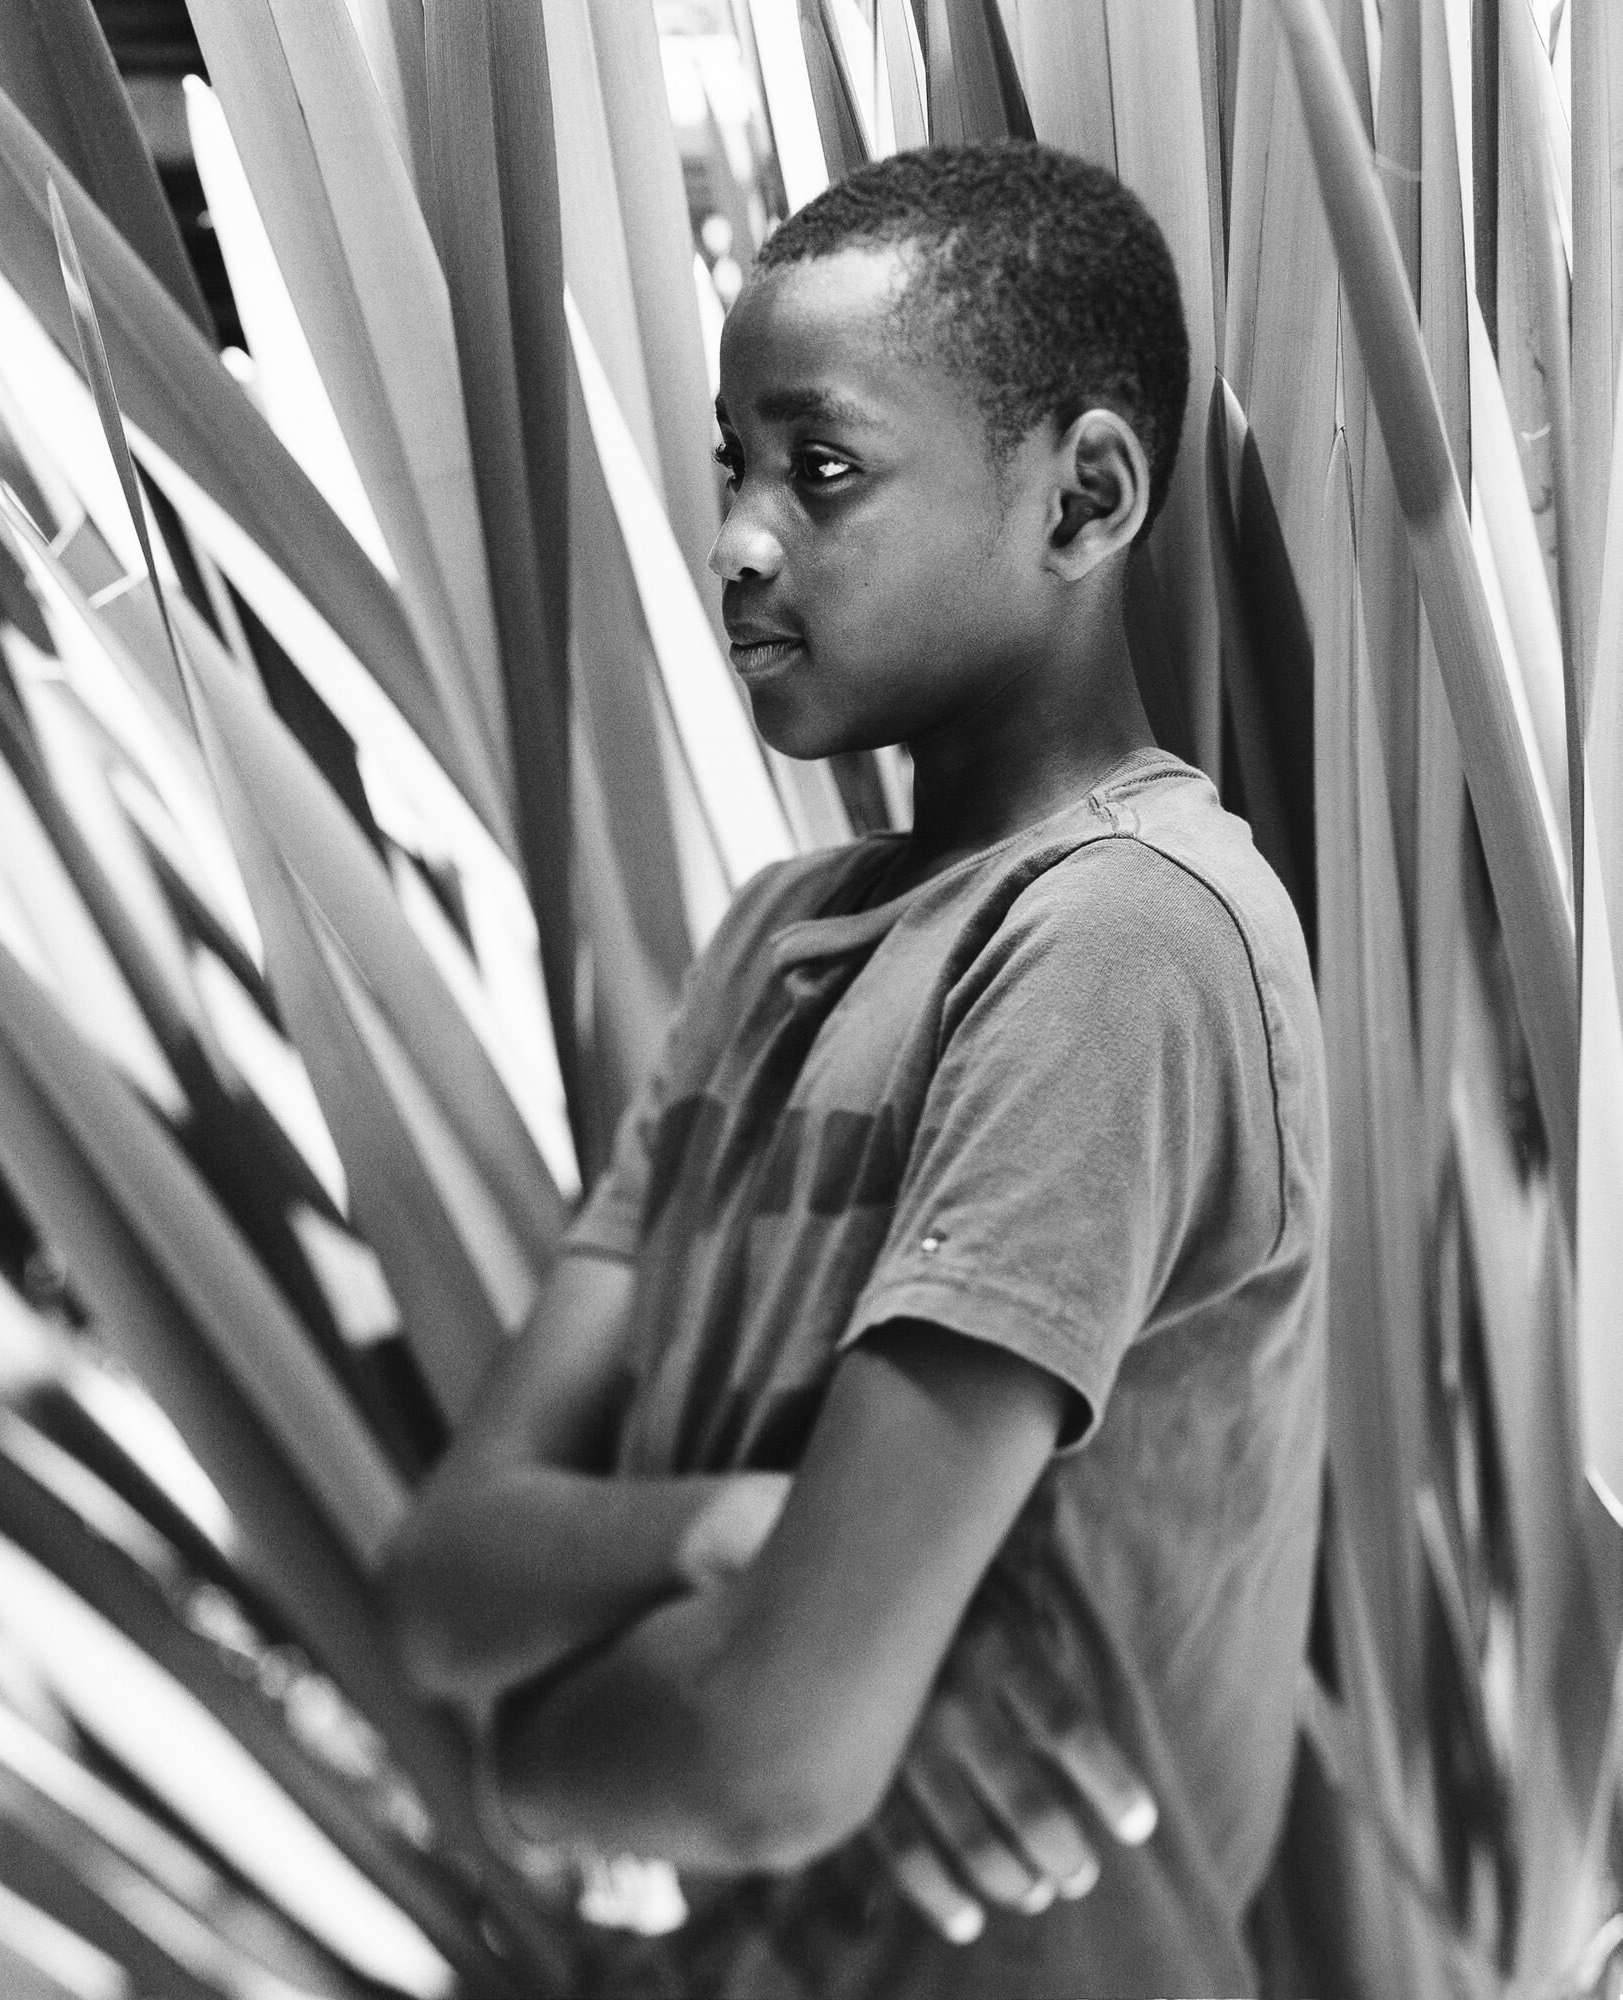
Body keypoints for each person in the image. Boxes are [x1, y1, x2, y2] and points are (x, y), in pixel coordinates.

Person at [378, 142, 1328, 1996]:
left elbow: (761, 1765)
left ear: (1085, 498)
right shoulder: (772, 945)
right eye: (732, 464)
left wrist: (531, 1761)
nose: (738, 536)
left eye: (822, 469)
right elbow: (441, 1578)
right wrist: (738, 1533)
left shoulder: (1118, 939)